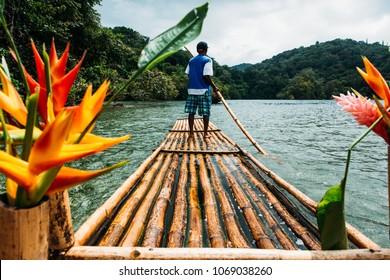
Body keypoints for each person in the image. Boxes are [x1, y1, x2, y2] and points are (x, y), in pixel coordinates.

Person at [185, 41, 220, 139]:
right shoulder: (207, 60)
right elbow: (207, 76)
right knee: (206, 112)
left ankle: (191, 134)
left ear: (197, 50)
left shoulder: (191, 60)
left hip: (191, 90)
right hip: (203, 90)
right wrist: (214, 87)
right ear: (206, 50)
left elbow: (188, 73)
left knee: (191, 112)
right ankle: (205, 134)